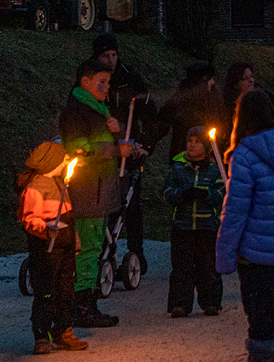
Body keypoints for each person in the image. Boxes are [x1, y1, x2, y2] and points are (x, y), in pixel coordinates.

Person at [216, 89, 274, 362]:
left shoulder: (245, 155)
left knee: (256, 308)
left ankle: (262, 357)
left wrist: (224, 254)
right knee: (270, 302)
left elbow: (235, 211)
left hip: (251, 246)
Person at [59, 59, 130, 328]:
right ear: (85, 82)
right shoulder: (76, 114)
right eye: (102, 82)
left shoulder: (99, 111)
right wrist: (115, 150)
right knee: (87, 249)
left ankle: (85, 304)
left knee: (94, 246)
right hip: (86, 190)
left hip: (99, 190)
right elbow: (79, 150)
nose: (106, 87)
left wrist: (118, 131)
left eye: (108, 83)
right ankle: (81, 307)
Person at [90, 33, 155, 274]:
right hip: (103, 149)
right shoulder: (89, 81)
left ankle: (137, 251)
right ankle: (105, 250)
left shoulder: (131, 80)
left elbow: (149, 115)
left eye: (114, 55)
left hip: (130, 149)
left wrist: (144, 144)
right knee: (103, 202)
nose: (111, 60)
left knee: (132, 204)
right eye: (106, 55)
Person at [16, 142, 87, 355]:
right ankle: (42, 335)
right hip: (46, 250)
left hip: (64, 248)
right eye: (63, 160)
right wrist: (46, 231)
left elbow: (69, 216)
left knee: (66, 290)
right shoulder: (35, 189)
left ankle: (64, 330)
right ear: (51, 163)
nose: (67, 163)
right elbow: (29, 219)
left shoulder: (60, 185)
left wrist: (73, 239)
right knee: (46, 292)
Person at [164, 126, 225, 318]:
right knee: (182, 267)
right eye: (190, 140)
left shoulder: (215, 170)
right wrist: (182, 195)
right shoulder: (177, 169)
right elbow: (166, 192)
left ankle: (211, 302)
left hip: (206, 226)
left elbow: (222, 194)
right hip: (183, 225)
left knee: (207, 265)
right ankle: (180, 303)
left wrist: (206, 194)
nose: (192, 144)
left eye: (197, 141)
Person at [158, 61, 228, 161]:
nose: (213, 82)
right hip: (183, 158)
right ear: (202, 81)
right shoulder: (180, 101)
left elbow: (223, 126)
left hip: (209, 159)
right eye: (210, 79)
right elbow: (161, 123)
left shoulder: (215, 100)